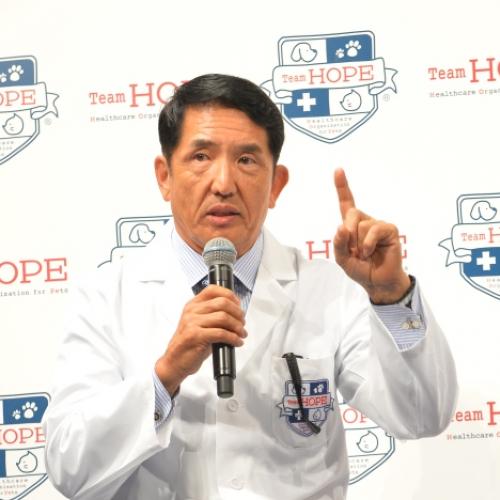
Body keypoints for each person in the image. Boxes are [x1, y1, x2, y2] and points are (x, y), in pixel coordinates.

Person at [43, 74, 457, 500]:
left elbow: (421, 416)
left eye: (246, 160)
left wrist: (391, 297)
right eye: (201, 157)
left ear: (276, 184)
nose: (223, 183)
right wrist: (166, 375)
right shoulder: (106, 297)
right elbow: (69, 465)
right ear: (164, 176)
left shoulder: (328, 289)